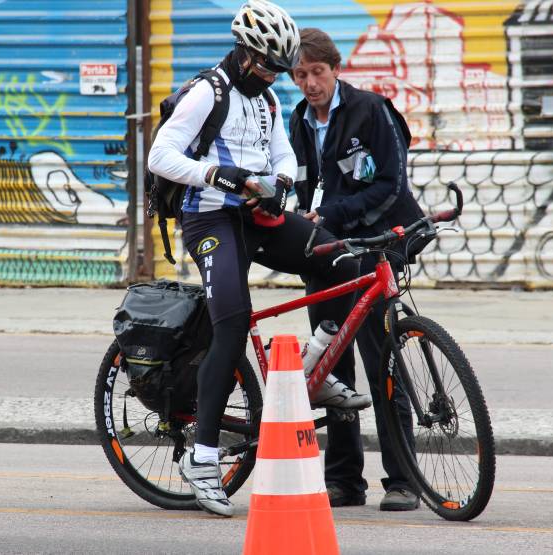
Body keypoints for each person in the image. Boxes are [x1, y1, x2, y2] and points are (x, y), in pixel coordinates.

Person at [147, 1, 371, 517]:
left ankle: (313, 368)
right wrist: (216, 176)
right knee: (232, 323)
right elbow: (161, 154)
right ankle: (203, 459)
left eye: (278, 67)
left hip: (255, 215)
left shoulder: (267, 98)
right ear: (245, 53)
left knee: (342, 261)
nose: (274, 74)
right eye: (268, 64)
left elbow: (284, 155)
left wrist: (282, 183)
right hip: (209, 220)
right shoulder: (209, 91)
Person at [289, 28, 425, 512]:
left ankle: (403, 481)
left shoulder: (372, 109)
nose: (310, 83)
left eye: (317, 72)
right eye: (300, 74)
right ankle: (345, 480)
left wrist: (331, 216)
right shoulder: (299, 122)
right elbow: (303, 189)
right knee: (331, 368)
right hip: (326, 252)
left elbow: (391, 184)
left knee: (382, 359)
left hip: (376, 245)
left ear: (335, 68)